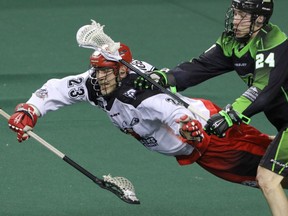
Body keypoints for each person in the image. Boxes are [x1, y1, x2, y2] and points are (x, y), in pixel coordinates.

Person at [7, 42, 287, 194]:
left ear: (121, 72)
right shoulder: (95, 83)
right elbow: (59, 88)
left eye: (105, 71)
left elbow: (171, 109)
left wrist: (187, 125)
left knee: (270, 175)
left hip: (211, 137)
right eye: (97, 70)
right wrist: (30, 110)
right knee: (272, 165)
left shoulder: (138, 93)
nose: (98, 76)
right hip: (197, 150)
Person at [135, 0, 288, 215]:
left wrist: (230, 115)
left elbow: (263, 88)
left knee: (267, 178)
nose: (236, 20)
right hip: (284, 125)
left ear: (260, 19)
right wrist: (165, 77)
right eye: (235, 13)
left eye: (243, 15)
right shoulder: (232, 41)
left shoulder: (272, 42)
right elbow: (201, 67)